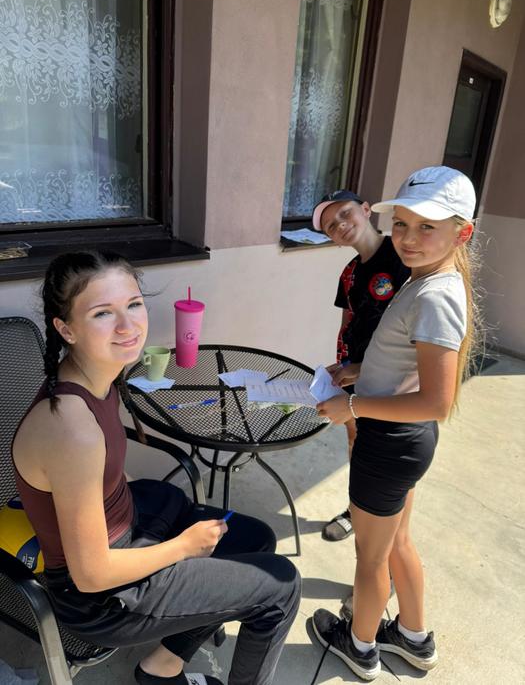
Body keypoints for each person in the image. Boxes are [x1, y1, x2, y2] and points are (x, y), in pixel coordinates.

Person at [11, 251, 301, 685]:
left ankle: (161, 667)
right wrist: (182, 547)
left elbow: (99, 478)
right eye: (102, 313)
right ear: (66, 329)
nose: (127, 326)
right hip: (102, 597)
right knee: (280, 586)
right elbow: (91, 575)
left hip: (132, 526)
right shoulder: (72, 429)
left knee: (254, 538)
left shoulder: (101, 377)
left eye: (133, 304)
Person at [311, 166, 478, 680]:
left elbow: (436, 402)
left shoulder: (434, 294)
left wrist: (354, 407)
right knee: (398, 542)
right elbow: (406, 360)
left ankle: (360, 646)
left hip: (389, 442)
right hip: (400, 442)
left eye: (427, 226)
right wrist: (362, 369)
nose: (408, 238)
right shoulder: (423, 279)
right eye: (402, 223)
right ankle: (413, 637)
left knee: (370, 556)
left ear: (462, 233)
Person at [312, 190, 409, 542]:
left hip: (395, 381)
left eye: (344, 213)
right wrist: (341, 367)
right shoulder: (350, 273)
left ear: (366, 210)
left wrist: (365, 367)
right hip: (355, 375)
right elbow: (348, 324)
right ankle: (357, 509)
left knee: (391, 459)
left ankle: (387, 529)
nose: (339, 225)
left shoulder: (402, 256)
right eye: (330, 226)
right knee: (357, 441)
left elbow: (413, 334)